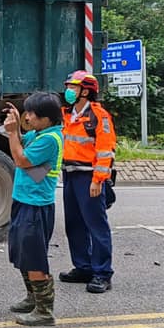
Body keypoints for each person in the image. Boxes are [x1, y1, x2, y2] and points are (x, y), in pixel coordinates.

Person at [2, 92, 64, 327]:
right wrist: (16, 127)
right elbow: (22, 146)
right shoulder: (40, 133)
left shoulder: (50, 139)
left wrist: (11, 133)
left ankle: (45, 311)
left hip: (36, 206)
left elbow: (21, 160)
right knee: (22, 254)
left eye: (32, 114)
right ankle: (33, 298)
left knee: (35, 259)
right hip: (25, 201)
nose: (28, 118)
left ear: (47, 118)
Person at [58, 70, 117, 294]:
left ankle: (102, 273)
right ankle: (83, 267)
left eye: (73, 88)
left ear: (86, 91)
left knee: (96, 226)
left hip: (89, 177)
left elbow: (105, 151)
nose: (69, 91)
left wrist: (98, 180)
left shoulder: (99, 117)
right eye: (69, 87)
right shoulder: (67, 114)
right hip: (70, 175)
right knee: (74, 224)